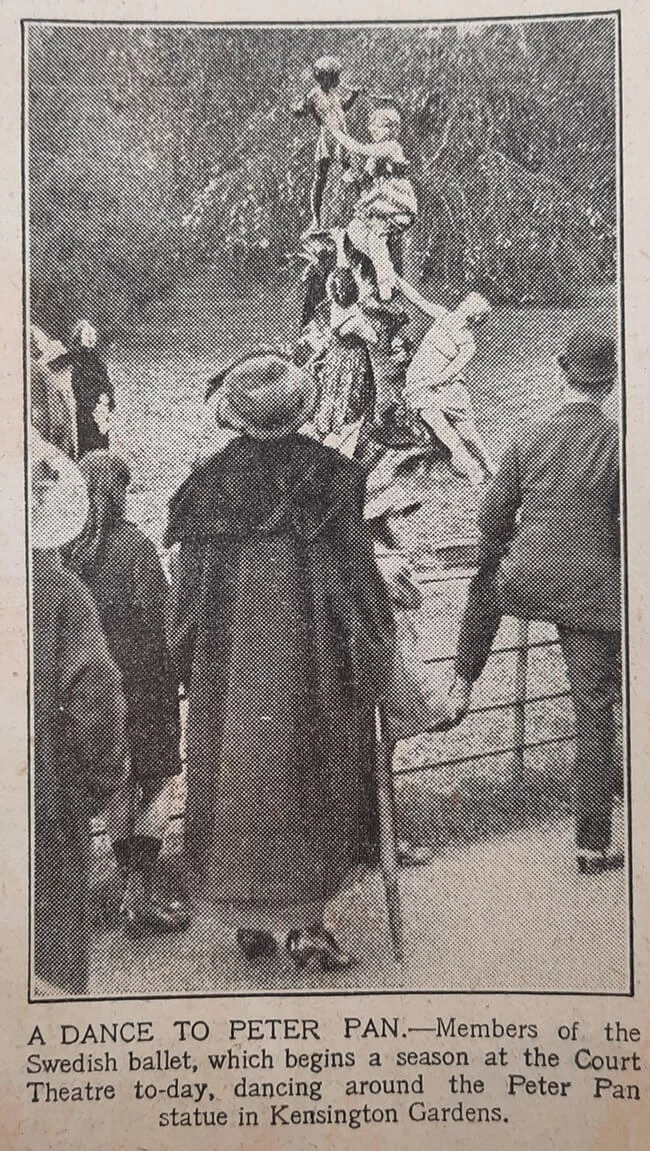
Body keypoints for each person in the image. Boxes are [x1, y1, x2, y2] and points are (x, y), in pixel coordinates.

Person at [164, 353, 395, 971]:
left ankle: (250, 920)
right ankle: (309, 922)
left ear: (233, 415)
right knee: (311, 776)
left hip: (231, 666)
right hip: (312, 655)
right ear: (303, 408)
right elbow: (358, 583)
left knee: (240, 782)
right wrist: (372, 650)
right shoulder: (334, 476)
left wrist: (188, 657)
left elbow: (185, 598)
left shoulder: (204, 484)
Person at [447, 329, 623, 874]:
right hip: (598, 590)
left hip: (527, 578)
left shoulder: (526, 436)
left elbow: (492, 529)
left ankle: (460, 681)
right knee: (596, 712)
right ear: (612, 376)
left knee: (489, 577)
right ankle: (595, 836)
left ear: (561, 372)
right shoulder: (619, 439)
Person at [63, 450, 189, 937]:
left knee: (118, 779)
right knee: (158, 778)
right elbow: (159, 616)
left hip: (96, 683)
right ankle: (140, 889)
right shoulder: (134, 545)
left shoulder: (70, 551)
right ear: (121, 491)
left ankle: (123, 884)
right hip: (143, 678)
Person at [31, 430, 126, 995]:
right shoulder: (61, 588)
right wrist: (100, 782)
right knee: (53, 941)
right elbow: (94, 690)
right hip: (50, 787)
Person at [398, 280, 495, 486]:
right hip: (420, 378)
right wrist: (396, 279)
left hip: (446, 386)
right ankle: (470, 466)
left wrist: (422, 385)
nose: (463, 303)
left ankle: (489, 464)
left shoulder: (468, 343)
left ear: (475, 316)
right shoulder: (443, 315)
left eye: (470, 303)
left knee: (468, 433)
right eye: (466, 301)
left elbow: (449, 374)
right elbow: (417, 300)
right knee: (437, 422)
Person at [326, 106, 418, 300]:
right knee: (355, 230)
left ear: (391, 129)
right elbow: (366, 176)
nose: (373, 130)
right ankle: (384, 268)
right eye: (372, 127)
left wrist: (336, 132)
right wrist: (352, 175)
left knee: (377, 236)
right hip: (380, 197)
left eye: (379, 127)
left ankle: (386, 284)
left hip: (395, 200)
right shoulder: (376, 155)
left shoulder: (391, 146)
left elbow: (358, 148)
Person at [293, 55, 364, 232]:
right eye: (334, 76)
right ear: (324, 76)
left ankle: (363, 211)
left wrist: (353, 96)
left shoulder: (334, 94)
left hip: (342, 138)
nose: (338, 80)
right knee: (320, 179)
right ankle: (316, 219)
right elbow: (299, 112)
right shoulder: (313, 95)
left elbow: (343, 109)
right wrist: (302, 105)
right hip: (328, 138)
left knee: (353, 173)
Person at [313, 267, 377, 438]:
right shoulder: (356, 317)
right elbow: (374, 338)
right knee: (350, 390)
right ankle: (345, 430)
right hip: (353, 359)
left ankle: (327, 425)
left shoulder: (331, 308)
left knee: (332, 389)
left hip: (335, 357)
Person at [50, 320, 116, 457]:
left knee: (97, 437)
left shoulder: (97, 359)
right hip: (86, 405)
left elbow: (108, 383)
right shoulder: (77, 355)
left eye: (92, 334)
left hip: (96, 405)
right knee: (90, 438)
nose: (91, 337)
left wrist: (109, 401)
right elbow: (54, 365)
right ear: (79, 337)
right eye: (87, 334)